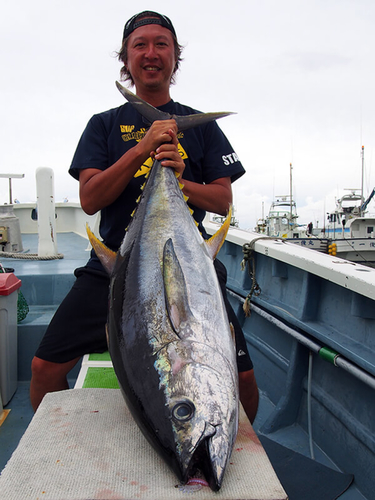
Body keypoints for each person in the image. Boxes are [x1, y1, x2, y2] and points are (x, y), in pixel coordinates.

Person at [30, 11, 259, 422]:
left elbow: (223, 202)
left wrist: (180, 179)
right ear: (126, 58)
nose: (151, 53)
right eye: (140, 45)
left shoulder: (202, 128)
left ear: (175, 58)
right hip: (116, 266)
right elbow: (89, 198)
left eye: (161, 45)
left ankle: (226, 450)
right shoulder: (103, 125)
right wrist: (142, 149)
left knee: (243, 380)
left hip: (190, 271)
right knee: (43, 370)